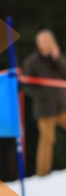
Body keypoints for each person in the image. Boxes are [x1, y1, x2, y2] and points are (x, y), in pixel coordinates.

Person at [22, 29, 66, 176]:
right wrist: (40, 95)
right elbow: (26, 84)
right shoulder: (31, 62)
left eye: (49, 40)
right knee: (47, 139)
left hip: (62, 104)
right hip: (45, 108)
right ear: (39, 44)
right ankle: (42, 172)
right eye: (44, 41)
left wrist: (57, 58)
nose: (47, 43)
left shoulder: (56, 59)